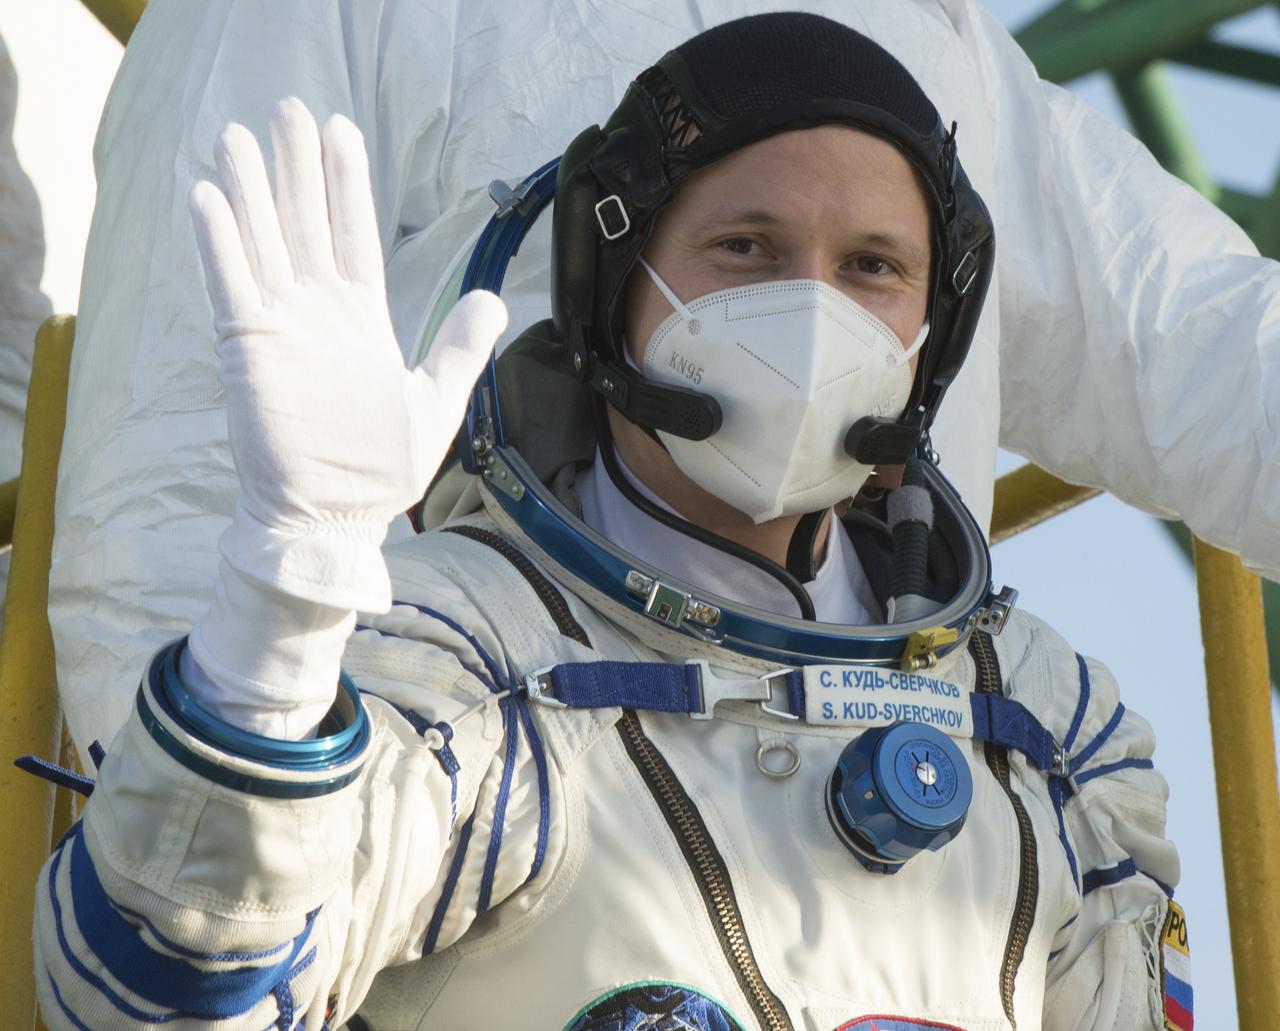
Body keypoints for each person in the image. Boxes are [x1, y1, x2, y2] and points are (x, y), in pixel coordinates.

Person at [34, 15, 1189, 1030]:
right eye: (746, 248)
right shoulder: (453, 651)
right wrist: (285, 602)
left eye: (872, 266)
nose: (810, 310)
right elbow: (165, 994)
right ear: (613, 286)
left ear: (927, 339)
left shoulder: (1042, 720)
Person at [48, 0, 1280, 771]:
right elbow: (173, 483)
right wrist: (209, 857)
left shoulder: (926, 31)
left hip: (909, 829)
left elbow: (1204, 350)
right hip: (474, 808)